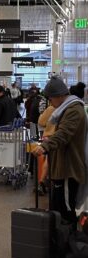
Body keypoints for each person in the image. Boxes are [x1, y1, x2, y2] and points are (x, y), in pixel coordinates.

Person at [32, 76, 87, 224]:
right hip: (61, 166)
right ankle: (59, 242)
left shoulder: (74, 110)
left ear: (60, 95)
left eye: (51, 98)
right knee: (57, 207)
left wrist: (44, 146)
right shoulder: (65, 109)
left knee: (65, 211)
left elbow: (63, 134)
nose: (50, 102)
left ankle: (68, 243)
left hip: (68, 169)